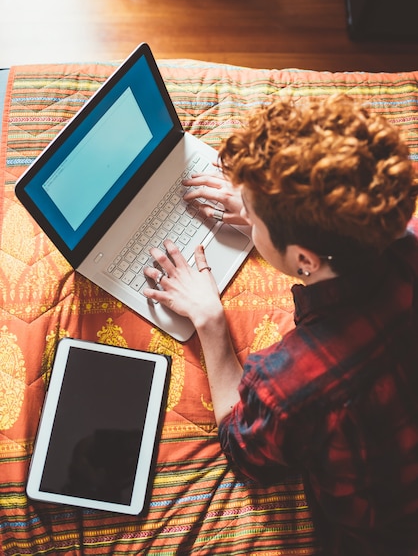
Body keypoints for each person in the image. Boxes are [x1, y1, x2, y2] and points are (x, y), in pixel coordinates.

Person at [143, 94, 418, 555]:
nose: (248, 217)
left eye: (256, 217)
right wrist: (270, 211)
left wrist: (211, 324)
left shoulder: (291, 382)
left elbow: (245, 449)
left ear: (305, 260)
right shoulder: (400, 229)